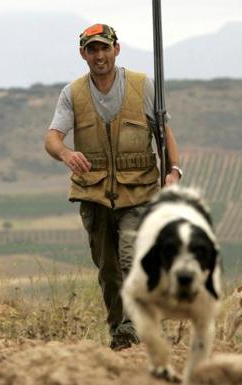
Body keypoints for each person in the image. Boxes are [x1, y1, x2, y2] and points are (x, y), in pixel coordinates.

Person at [44, 23, 182, 350]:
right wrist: (65, 153)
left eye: (105, 48)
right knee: (108, 270)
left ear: (116, 49)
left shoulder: (141, 86)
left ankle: (135, 324)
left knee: (130, 258)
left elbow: (163, 133)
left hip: (138, 192)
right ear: (83, 54)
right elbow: (52, 138)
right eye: (92, 50)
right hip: (94, 195)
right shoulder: (72, 93)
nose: (99, 55)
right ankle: (120, 331)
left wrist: (173, 171)